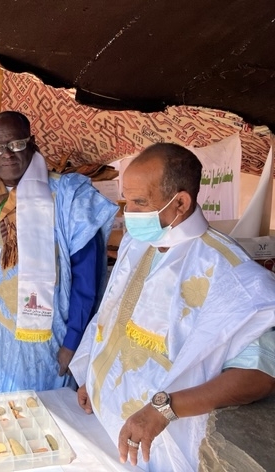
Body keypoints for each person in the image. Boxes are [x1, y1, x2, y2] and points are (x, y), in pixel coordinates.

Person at [69, 143, 275, 470]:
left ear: (180, 202)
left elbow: (260, 375)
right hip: (102, 423)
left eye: (140, 202)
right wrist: (91, 373)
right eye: (127, 201)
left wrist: (163, 409)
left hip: (158, 448)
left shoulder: (234, 278)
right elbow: (112, 316)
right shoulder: (139, 243)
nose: (128, 213)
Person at [0, 111, 118, 394]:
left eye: (16, 144)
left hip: (45, 344)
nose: (8, 155)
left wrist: (73, 341)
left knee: (40, 426)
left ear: (32, 142)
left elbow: (86, 278)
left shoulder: (66, 196)